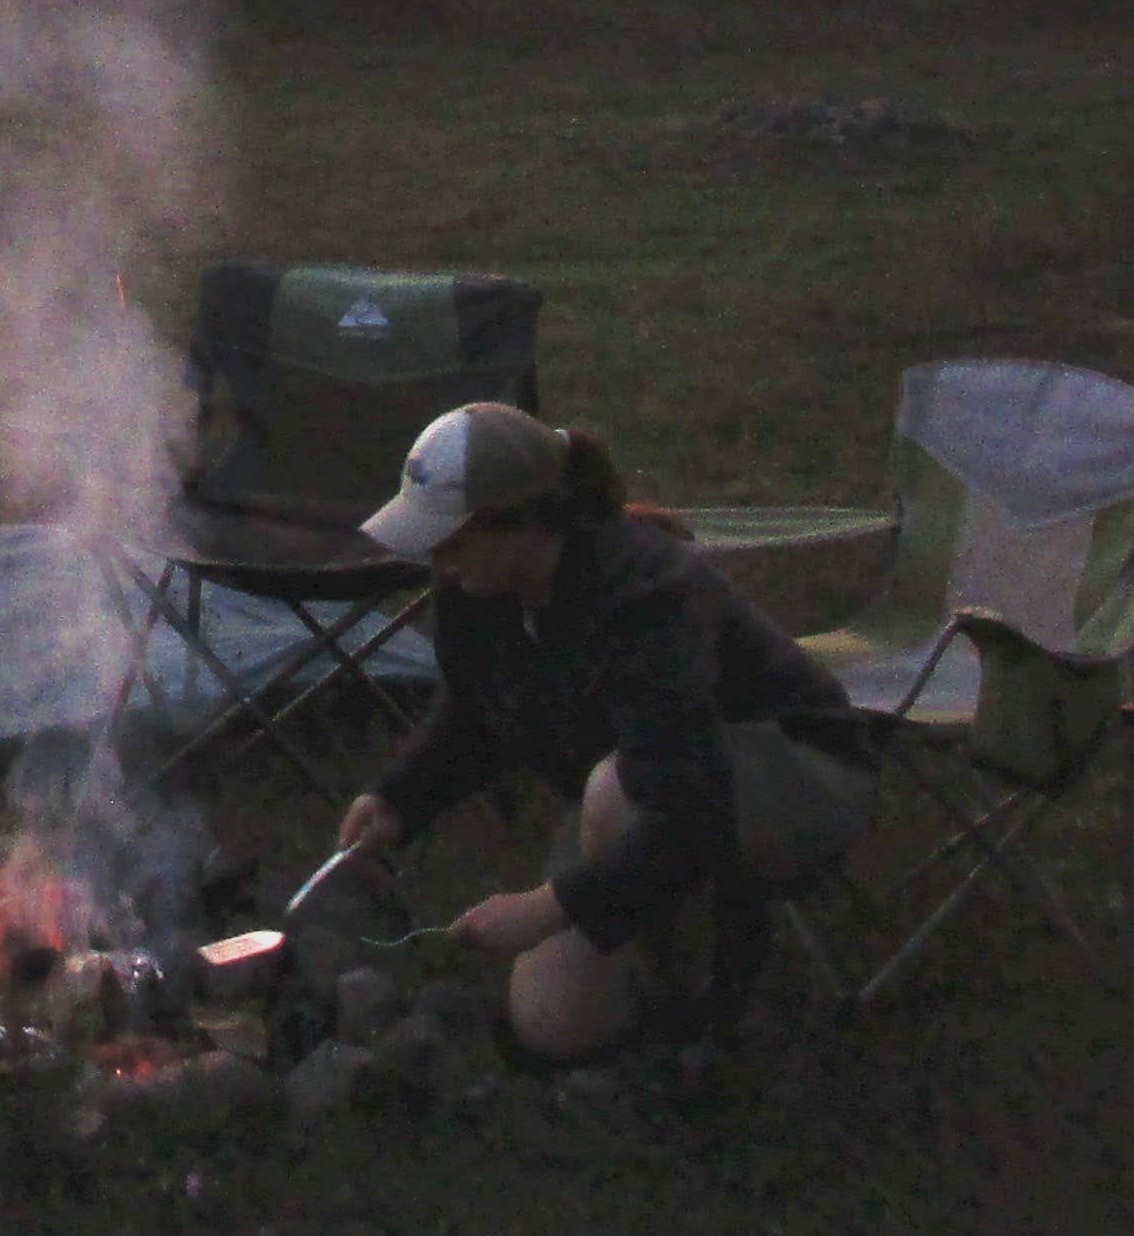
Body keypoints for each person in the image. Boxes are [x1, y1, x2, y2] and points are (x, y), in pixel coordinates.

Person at [331, 400, 876, 1068]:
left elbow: (688, 804)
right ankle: (659, 973)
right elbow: (474, 714)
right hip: (651, 783)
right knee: (548, 1025)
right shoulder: (479, 587)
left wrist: (550, 905)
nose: (437, 562)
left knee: (618, 795)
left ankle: (716, 1002)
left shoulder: (643, 595)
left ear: (525, 524)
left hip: (799, 776)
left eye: (450, 541)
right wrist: (398, 799)